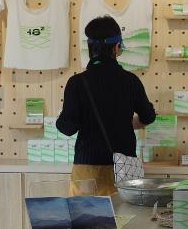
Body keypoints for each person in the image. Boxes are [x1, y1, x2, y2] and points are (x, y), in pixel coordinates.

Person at [57, 16, 156, 196]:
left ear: (89, 48)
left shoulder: (77, 83)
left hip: (87, 170)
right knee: (125, 214)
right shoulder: (131, 81)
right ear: (117, 47)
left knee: (85, 214)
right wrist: (126, 122)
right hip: (124, 168)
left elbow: (67, 128)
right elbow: (148, 116)